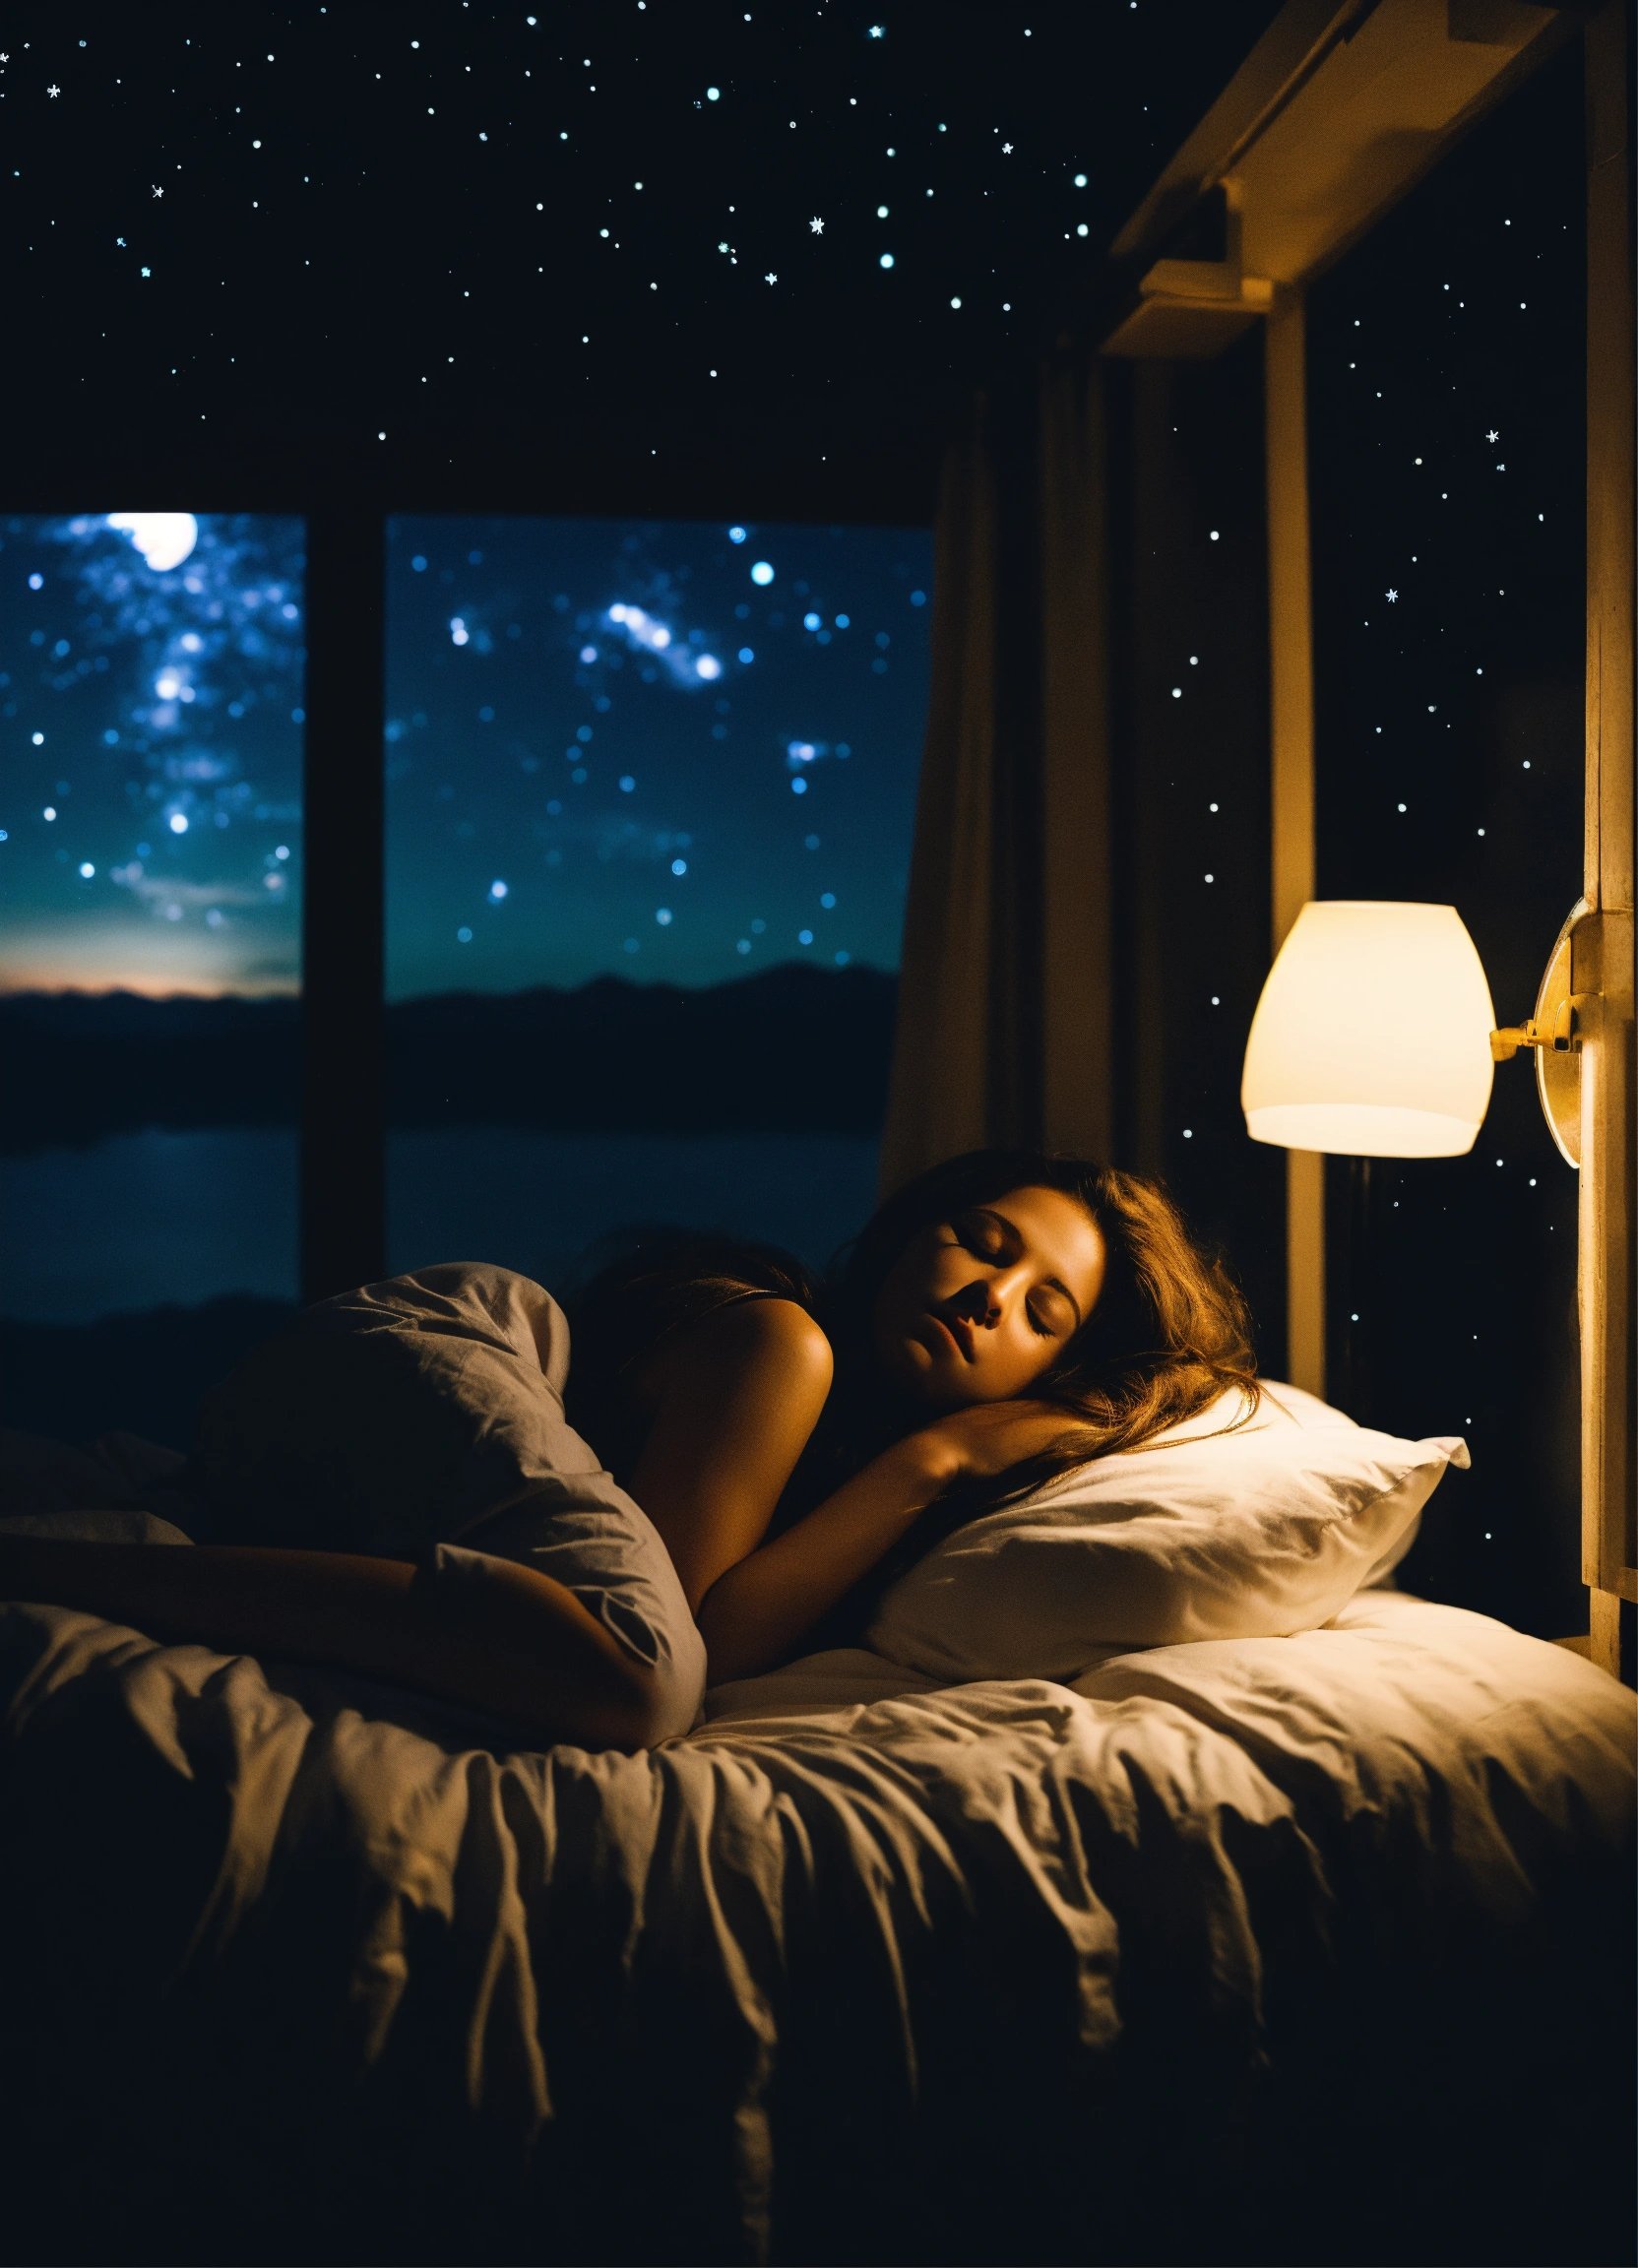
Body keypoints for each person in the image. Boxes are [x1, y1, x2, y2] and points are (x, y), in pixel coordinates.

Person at [0, 1147, 1261, 1748]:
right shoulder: (784, 1343)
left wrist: (934, 1471)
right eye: (983, 1242)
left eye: (1044, 1311)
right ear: (909, 1233)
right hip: (441, 1346)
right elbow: (686, 1640)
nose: (993, 1297)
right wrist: (934, 1461)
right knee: (637, 1685)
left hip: (310, 1435)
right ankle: (54, 1572)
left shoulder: (863, 1457)